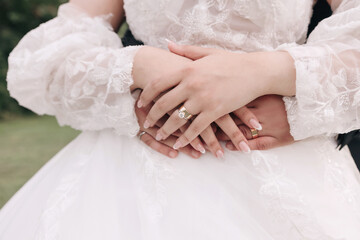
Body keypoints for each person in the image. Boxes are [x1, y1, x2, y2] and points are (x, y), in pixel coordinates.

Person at [1, 0, 360, 239]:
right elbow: (43, 56)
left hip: (283, 167)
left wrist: (269, 71)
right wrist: (135, 67)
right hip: (127, 173)